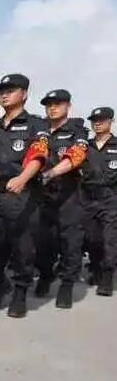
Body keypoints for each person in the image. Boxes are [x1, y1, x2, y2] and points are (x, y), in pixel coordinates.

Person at [0, 74, 48, 317]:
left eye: (10, 90)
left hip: (23, 192)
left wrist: (23, 178)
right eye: (2, 91)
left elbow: (38, 154)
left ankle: (20, 292)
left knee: (23, 247)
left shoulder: (36, 124)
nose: (4, 95)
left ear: (24, 94)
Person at [34, 90, 88, 308]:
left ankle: (67, 284)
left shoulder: (77, 131)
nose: (52, 108)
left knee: (70, 242)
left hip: (68, 195)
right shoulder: (39, 130)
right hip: (42, 196)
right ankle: (46, 274)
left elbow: (76, 156)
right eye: (49, 105)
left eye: (57, 104)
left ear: (68, 106)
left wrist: (51, 173)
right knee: (42, 241)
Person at [80, 107, 117, 296]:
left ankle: (107, 276)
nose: (98, 123)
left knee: (110, 239)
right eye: (94, 120)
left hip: (111, 198)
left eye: (102, 119)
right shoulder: (85, 147)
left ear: (111, 121)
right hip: (88, 197)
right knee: (92, 238)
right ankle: (96, 268)